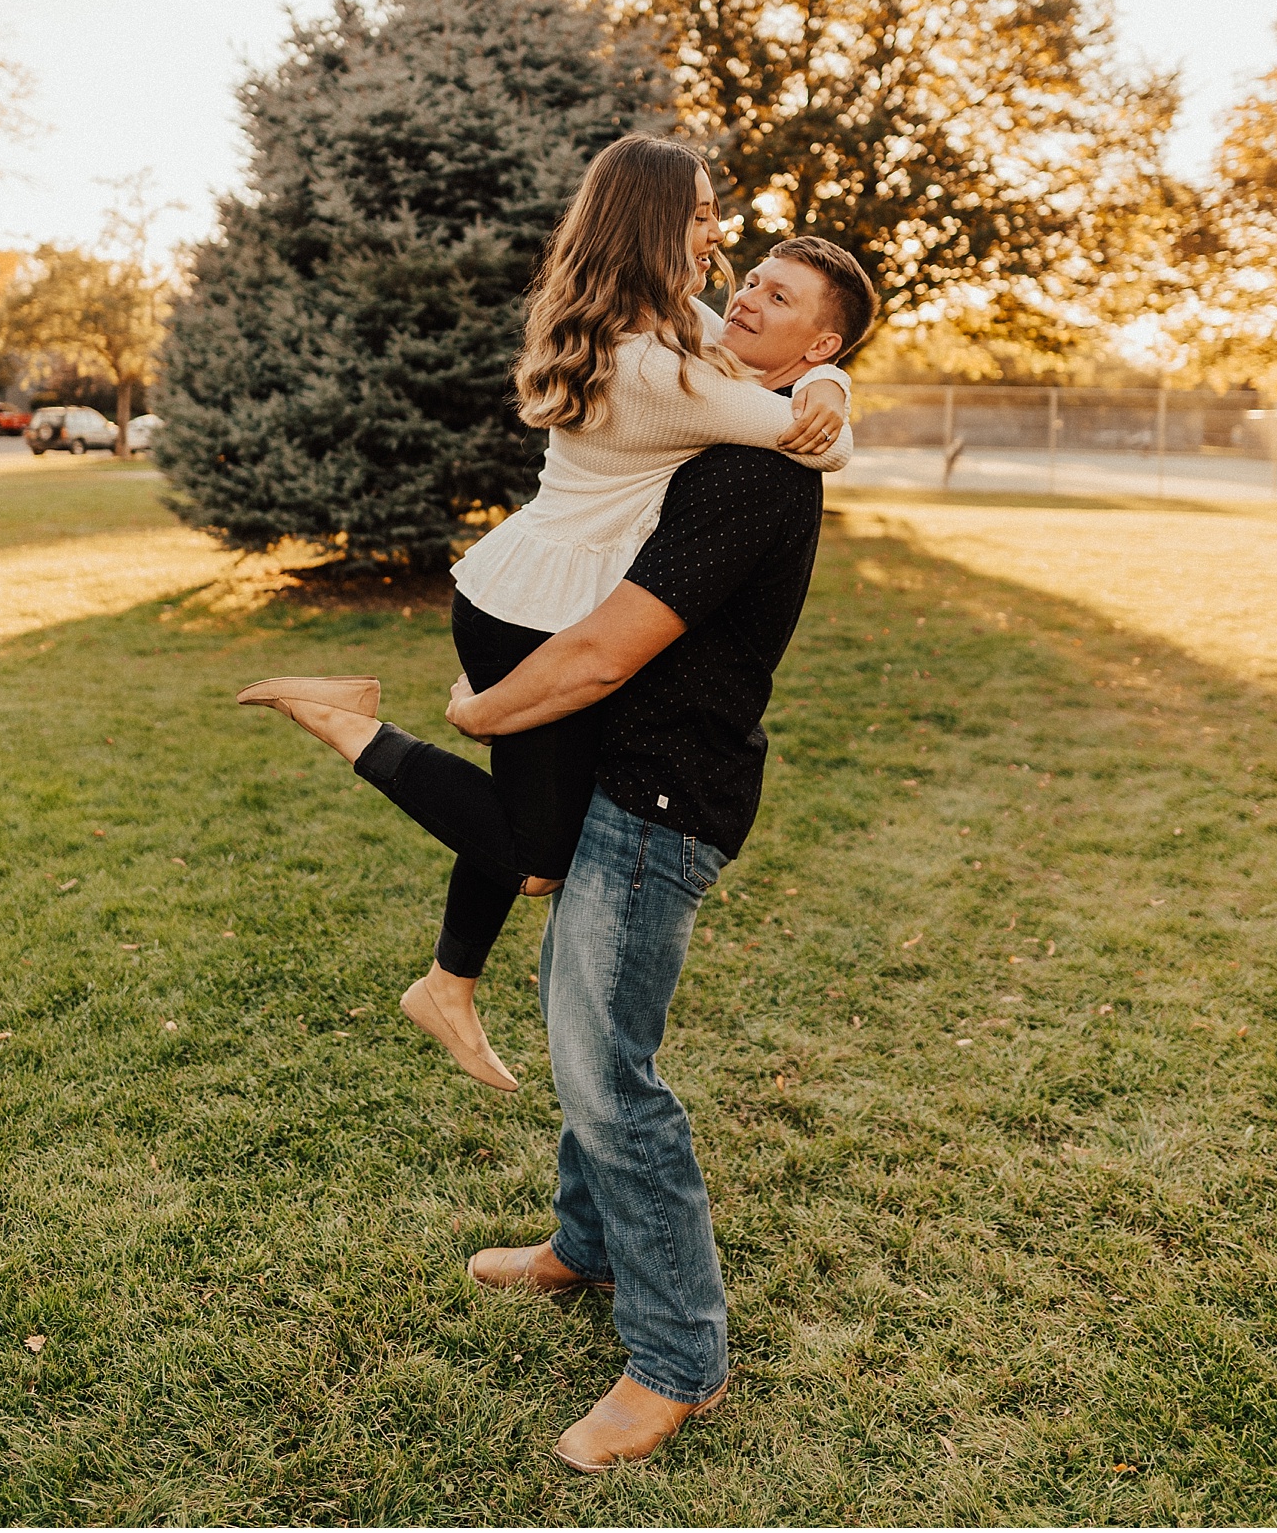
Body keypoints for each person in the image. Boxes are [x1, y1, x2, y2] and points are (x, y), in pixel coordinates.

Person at [256, 225, 879, 1472]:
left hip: (662, 800)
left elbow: (608, 648)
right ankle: (582, 1246)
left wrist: (482, 711)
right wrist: (824, 386)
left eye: (783, 299)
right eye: (747, 276)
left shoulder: (754, 476)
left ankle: (676, 1360)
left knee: (609, 1075)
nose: (746, 296)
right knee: (595, 1040)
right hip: (619, 776)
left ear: (823, 339)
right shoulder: (718, 412)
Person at [238, 136, 854, 1091]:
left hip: (517, 592)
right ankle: (345, 722)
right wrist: (828, 386)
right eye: (697, 212)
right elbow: (821, 446)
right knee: (536, 855)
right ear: (654, 224)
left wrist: (825, 371)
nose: (715, 230)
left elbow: (782, 382)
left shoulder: (641, 320)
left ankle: (449, 981)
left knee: (529, 818)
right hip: (539, 616)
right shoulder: (662, 371)